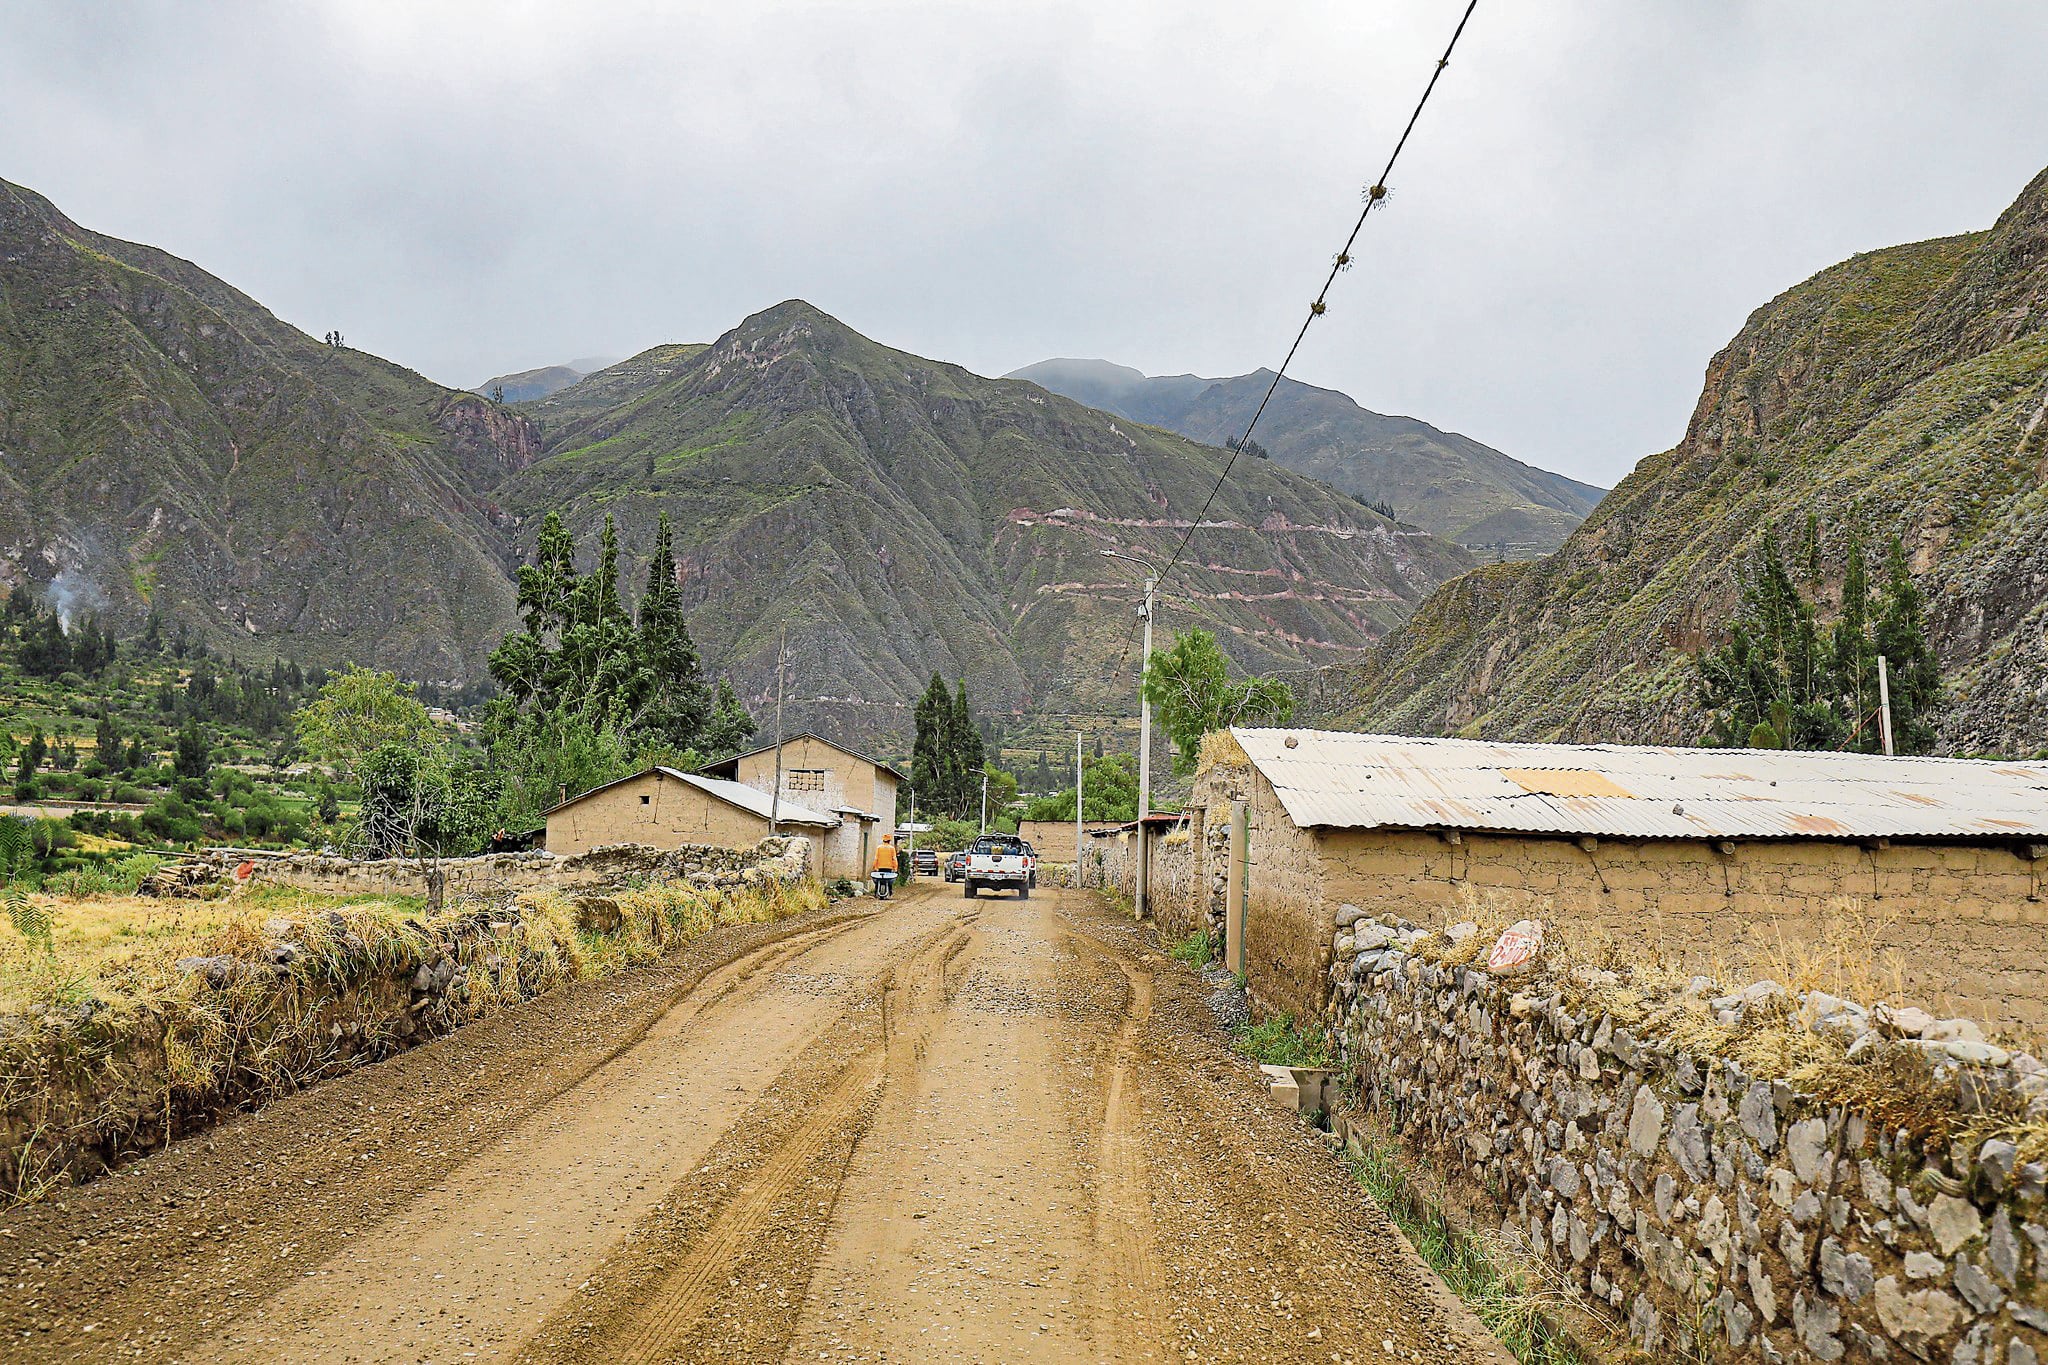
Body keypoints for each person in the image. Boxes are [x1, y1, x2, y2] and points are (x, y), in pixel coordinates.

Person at [871, 834, 899, 899]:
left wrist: (874, 867)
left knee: (878, 880)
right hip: (889, 867)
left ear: (883, 840)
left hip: (880, 867)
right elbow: (894, 859)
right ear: (889, 841)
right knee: (889, 881)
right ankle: (890, 891)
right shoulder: (892, 848)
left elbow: (876, 858)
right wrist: (895, 868)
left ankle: (875, 893)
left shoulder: (879, 848)